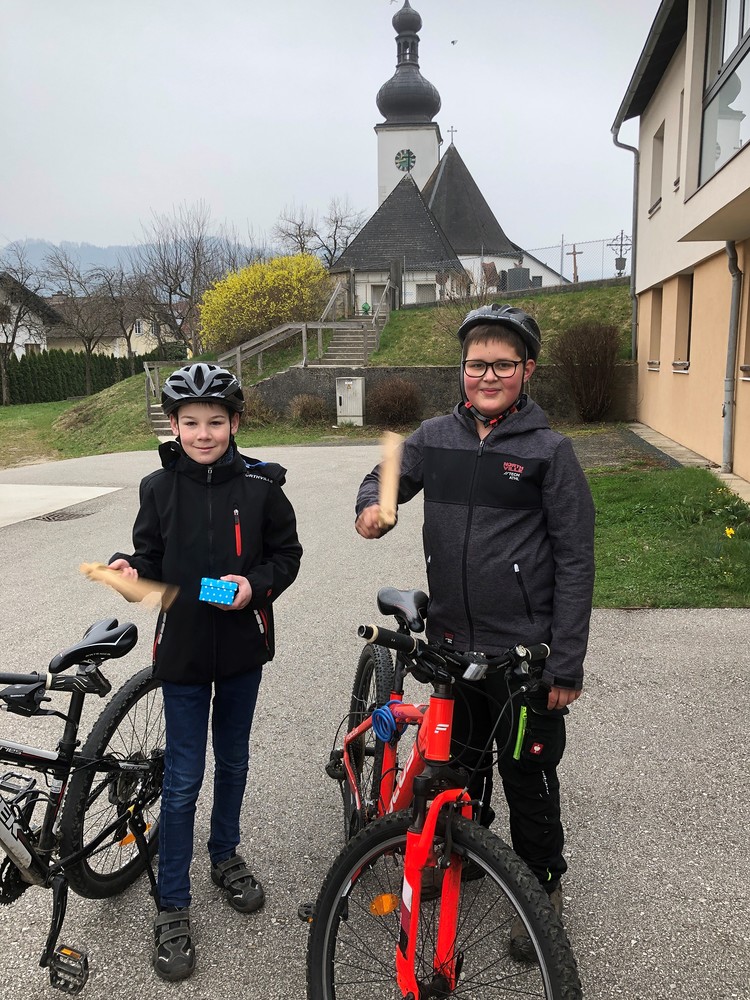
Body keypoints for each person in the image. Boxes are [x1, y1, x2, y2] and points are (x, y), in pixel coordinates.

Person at [355, 304, 594, 960]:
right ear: (462, 369)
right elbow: (384, 474)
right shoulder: (436, 437)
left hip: (522, 656)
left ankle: (541, 890)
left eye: (503, 365)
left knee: (528, 776)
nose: (488, 376)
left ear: (527, 370)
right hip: (451, 647)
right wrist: (374, 507)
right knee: (454, 766)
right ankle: (461, 847)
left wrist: (566, 664)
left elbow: (576, 560)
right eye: (476, 364)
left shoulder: (549, 452)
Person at [109, 363, 302, 982]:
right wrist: (130, 569)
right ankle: (172, 901)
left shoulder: (263, 486)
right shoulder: (157, 488)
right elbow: (147, 556)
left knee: (235, 760)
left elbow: (287, 555)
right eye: (190, 422)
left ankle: (224, 854)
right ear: (173, 425)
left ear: (235, 423)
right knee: (183, 778)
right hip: (185, 654)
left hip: (243, 648)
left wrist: (257, 585)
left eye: (215, 421)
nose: (203, 433)